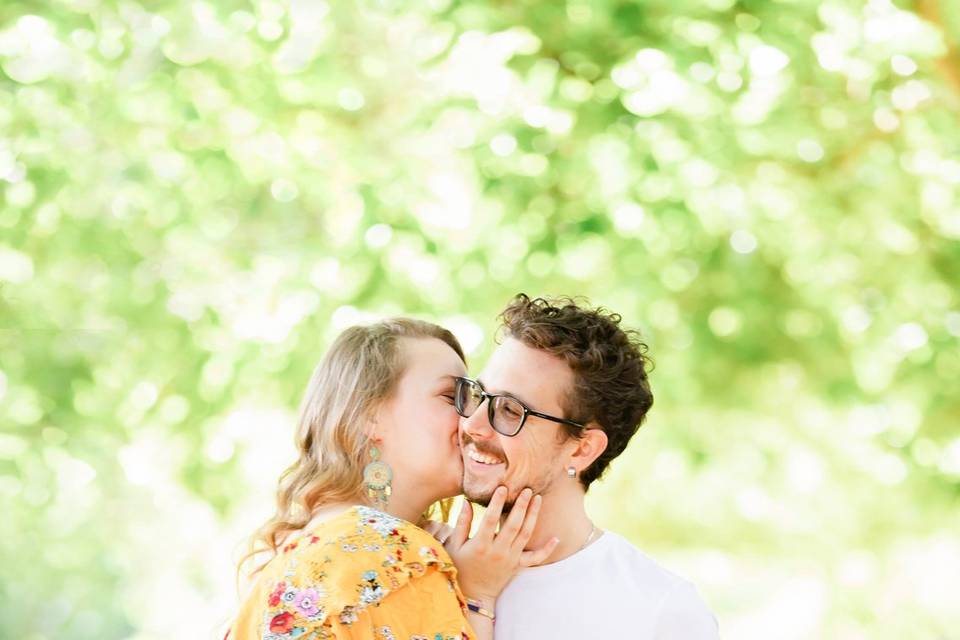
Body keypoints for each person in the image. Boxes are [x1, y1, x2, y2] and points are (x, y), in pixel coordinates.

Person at [228, 318, 557, 640]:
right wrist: (476, 597)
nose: (472, 419)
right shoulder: (396, 556)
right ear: (370, 414)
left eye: (471, 397)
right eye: (452, 396)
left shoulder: (296, 554)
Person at [449, 294, 719, 639]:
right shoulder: (423, 562)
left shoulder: (660, 611)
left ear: (583, 449)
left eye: (511, 410)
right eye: (478, 395)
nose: (472, 424)